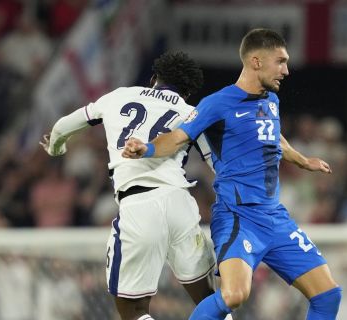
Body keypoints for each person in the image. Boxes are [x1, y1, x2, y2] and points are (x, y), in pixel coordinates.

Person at [122, 28, 342, 319]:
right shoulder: (218, 103)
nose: (286, 70)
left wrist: (303, 160)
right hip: (238, 217)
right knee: (234, 295)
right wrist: (147, 149)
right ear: (256, 61)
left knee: (328, 295)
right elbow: (177, 137)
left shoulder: (271, 101)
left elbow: (274, 135)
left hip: (274, 218)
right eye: (280, 61)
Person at [40, 51, 232, 320]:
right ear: (186, 92)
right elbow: (219, 166)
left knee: (132, 310)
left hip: (138, 205)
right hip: (181, 205)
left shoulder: (118, 96)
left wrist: (56, 147)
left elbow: (64, 125)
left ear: (154, 78)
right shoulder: (191, 112)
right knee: (211, 300)